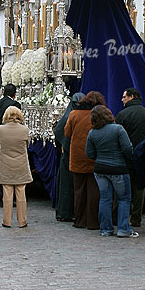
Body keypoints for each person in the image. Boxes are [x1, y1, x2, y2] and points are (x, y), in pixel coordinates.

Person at [86, 104, 138, 238]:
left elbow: (89, 154)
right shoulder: (118, 129)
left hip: (100, 168)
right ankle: (123, 229)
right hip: (118, 168)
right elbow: (127, 148)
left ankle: (106, 229)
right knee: (124, 199)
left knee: (105, 199)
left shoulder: (92, 133)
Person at [64, 91, 105, 230]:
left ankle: (80, 220)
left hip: (78, 156)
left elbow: (67, 133)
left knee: (79, 190)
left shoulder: (74, 114)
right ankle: (93, 222)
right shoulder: (101, 114)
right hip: (96, 156)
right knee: (94, 191)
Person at [114, 87, 145, 228]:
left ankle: (118, 217)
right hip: (142, 157)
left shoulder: (122, 115)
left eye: (124, 97)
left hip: (126, 157)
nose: (122, 99)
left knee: (121, 189)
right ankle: (136, 218)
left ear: (131, 97)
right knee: (139, 190)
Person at [0, 106, 32, 228]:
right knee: (21, 193)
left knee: (7, 194)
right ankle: (22, 221)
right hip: (21, 164)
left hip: (5, 164)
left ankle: (7, 221)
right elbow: (28, 145)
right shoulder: (25, 129)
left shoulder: (1, 129)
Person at [53, 92, 85, 222]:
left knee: (66, 184)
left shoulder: (69, 116)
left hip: (67, 155)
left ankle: (64, 212)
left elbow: (59, 132)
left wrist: (63, 145)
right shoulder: (84, 116)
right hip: (78, 155)